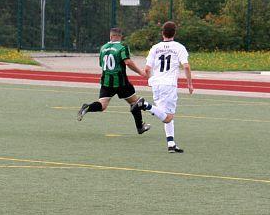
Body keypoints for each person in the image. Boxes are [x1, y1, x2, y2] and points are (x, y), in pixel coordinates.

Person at [77, 28, 151, 135]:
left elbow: (101, 64)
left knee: (102, 105)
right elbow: (128, 62)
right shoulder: (122, 47)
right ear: (120, 36)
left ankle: (88, 107)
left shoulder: (103, 48)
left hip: (106, 82)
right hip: (121, 82)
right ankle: (140, 127)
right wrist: (141, 72)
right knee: (135, 103)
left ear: (111, 36)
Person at [138, 21, 193, 153]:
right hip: (169, 85)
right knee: (168, 117)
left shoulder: (155, 47)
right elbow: (186, 66)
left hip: (156, 84)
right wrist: (189, 84)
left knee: (165, 114)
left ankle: (171, 143)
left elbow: (147, 69)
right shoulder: (179, 47)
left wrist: (151, 80)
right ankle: (145, 105)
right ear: (175, 33)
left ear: (162, 33)